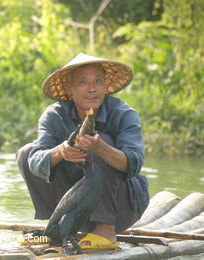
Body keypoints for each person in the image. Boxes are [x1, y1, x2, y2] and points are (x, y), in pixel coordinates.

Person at [16, 52, 149, 249]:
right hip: (75, 209)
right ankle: (57, 230)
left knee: (102, 141)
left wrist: (100, 147)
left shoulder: (124, 114)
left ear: (105, 86)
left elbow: (133, 164)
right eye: (83, 82)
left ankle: (105, 231)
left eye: (98, 81)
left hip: (121, 208)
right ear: (70, 89)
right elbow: (34, 161)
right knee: (26, 153)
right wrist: (60, 152)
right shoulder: (54, 116)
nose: (92, 88)